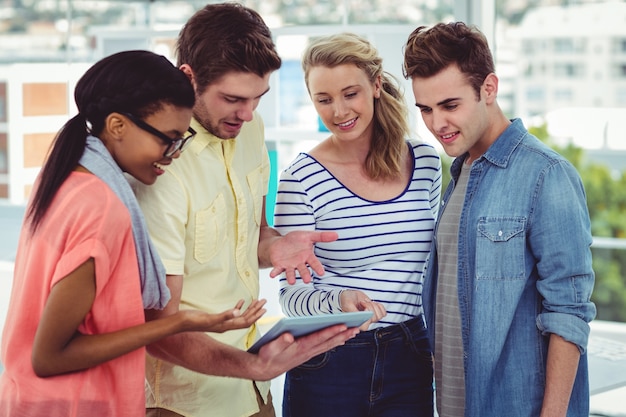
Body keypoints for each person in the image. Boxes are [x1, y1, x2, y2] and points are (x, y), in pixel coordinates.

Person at [0, 50, 271, 416]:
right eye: (168, 138)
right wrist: (180, 322)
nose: (174, 154)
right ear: (117, 126)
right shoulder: (103, 209)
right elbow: (50, 356)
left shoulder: (66, 179)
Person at [133, 4, 358, 417]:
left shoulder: (249, 128)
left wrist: (275, 246)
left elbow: (251, 233)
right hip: (186, 401)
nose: (248, 114)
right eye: (233, 99)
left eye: (258, 98)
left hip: (254, 388)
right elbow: (158, 331)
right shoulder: (161, 166)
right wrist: (251, 365)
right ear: (189, 78)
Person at [402, 22, 596, 417]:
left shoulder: (546, 175)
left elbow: (569, 313)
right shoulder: (459, 175)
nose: (437, 124)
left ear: (488, 88)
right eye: (426, 109)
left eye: (450, 105)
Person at [272, 32, 441, 417]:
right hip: (328, 359)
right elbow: (290, 294)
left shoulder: (426, 163)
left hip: (411, 351)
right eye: (324, 99)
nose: (338, 111)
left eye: (351, 93)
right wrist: (339, 301)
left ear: (376, 85)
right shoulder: (300, 179)